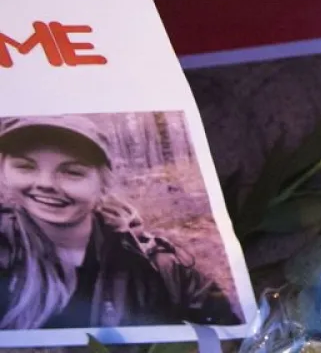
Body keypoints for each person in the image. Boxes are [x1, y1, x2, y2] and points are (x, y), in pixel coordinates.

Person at [0, 115, 239, 330]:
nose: (45, 184)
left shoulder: (157, 267)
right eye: (25, 167)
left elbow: (229, 334)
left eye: (72, 172)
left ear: (103, 183)